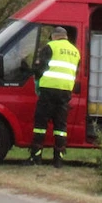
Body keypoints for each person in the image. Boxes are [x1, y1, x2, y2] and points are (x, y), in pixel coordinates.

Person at [27, 26, 80, 167]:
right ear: (66, 37)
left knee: (40, 125)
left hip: (48, 90)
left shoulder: (50, 47)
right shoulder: (75, 52)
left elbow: (40, 68)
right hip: (65, 92)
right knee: (61, 127)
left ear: (54, 36)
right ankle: (58, 160)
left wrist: (36, 77)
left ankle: (36, 158)